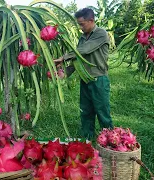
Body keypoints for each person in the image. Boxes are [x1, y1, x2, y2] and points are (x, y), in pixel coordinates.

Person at [54, 8, 113, 139]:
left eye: (82, 24)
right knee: (86, 112)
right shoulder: (82, 38)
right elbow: (78, 57)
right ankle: (87, 138)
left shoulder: (101, 33)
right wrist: (66, 72)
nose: (80, 27)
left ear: (91, 20)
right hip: (85, 80)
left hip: (99, 79)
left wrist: (63, 58)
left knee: (102, 111)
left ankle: (109, 141)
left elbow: (85, 50)